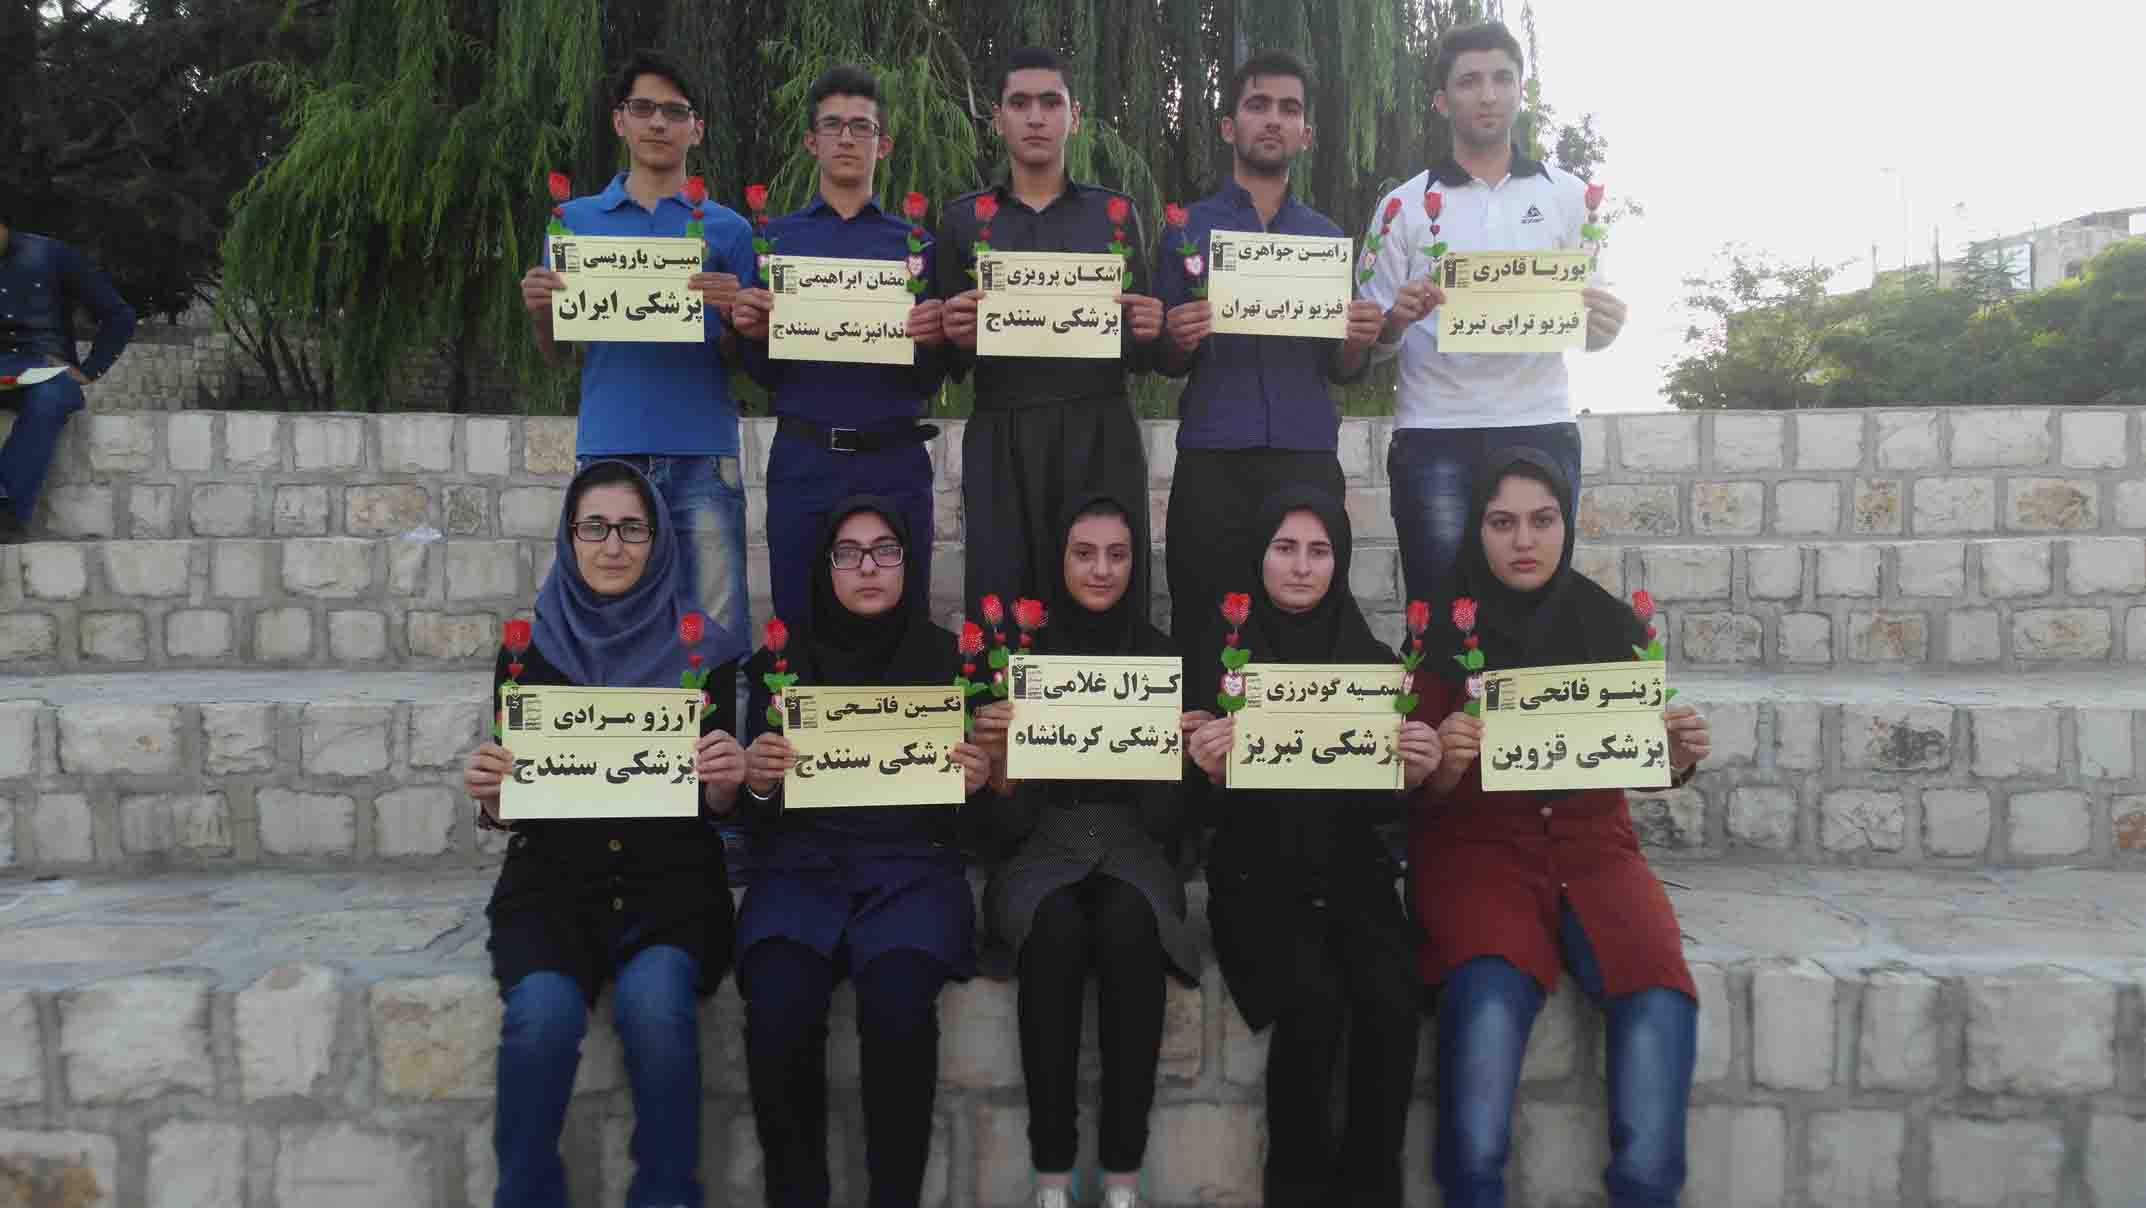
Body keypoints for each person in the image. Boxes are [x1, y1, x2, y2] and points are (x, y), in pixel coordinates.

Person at [1411, 447, 1711, 1207]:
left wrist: (1676, 759)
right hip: (1478, 857)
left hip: (1595, 853)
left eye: (1543, 520)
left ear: (1566, 526)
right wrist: (1442, 762)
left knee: (1658, 993)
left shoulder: (1608, 625)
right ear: (1476, 530)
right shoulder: (1442, 636)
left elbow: (1639, 760)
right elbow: (1415, 794)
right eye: (1502, 522)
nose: (1524, 541)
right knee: (1484, 999)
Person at [461, 459, 749, 1208]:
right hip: (554, 889)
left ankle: (666, 1194)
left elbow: (715, 802)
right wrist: (493, 797)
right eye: (594, 528)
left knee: (657, 1007)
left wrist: (726, 782)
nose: (613, 546)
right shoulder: (528, 652)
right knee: (541, 1017)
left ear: (658, 540)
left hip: (670, 889)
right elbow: (516, 799)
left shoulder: (705, 652)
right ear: (569, 537)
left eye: (631, 529)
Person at [1182, 487, 1442, 1207]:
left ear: (1340, 561)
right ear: (1258, 557)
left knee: (1391, 998)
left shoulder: (1373, 665)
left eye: (1319, 550)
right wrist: (1210, 771)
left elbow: (1381, 808)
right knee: (1312, 1000)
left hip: (1354, 876)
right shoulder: (1219, 662)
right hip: (1255, 881)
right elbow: (1192, 811)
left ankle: (1371, 1189)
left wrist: (1410, 775)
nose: (1301, 566)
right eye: (1285, 548)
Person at [734, 498, 994, 1208]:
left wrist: (977, 783)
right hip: (802, 870)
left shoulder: (951, 664)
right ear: (826, 568)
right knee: (778, 1003)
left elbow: (974, 823)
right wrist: (759, 784)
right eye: (848, 553)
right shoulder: (780, 666)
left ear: (908, 563)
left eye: (885, 550)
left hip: (912, 872)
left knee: (899, 1005)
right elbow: (757, 820)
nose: (869, 567)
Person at [970, 496, 1199, 1208]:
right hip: (1040, 848)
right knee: (1055, 927)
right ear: (1058, 561)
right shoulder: (1021, 661)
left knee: (1131, 925)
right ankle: (1053, 1176)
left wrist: (1178, 757)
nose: (1101, 570)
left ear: (1135, 566)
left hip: (1135, 849)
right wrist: (999, 760)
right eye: (1084, 553)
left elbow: (1172, 825)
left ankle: (1122, 1176)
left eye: (1117, 555)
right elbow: (1001, 825)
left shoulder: (1163, 659)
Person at [1356, 21, 1630, 604]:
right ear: (1441, 100)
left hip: (1541, 422)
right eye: (1469, 81)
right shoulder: (1401, 206)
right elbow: (1364, 346)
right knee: (1438, 607)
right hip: (1434, 431)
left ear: (1521, 91)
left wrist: (1605, 329)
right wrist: (1396, 320)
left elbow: (1589, 326)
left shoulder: (1569, 196)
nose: (1488, 95)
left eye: (1503, 79)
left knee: (1539, 610)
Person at [518, 50, 758, 648]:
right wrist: (541, 313)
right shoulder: (573, 224)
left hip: (703, 454)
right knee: (607, 624)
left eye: (674, 112)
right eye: (643, 108)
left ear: (696, 128)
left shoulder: (729, 230)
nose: (657, 122)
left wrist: (736, 319)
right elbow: (557, 355)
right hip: (609, 451)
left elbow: (743, 361)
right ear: (619, 120)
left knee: (717, 626)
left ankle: (722, 716)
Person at [1152, 49, 1390, 644]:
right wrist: (1176, 337)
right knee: (1204, 620)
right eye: (1258, 105)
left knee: (1305, 626)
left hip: (1305, 454)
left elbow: (1342, 368)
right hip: (1213, 454)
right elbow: (1164, 359)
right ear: (1229, 126)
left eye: (1289, 108)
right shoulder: (1186, 231)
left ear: (1305, 133)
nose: (1273, 119)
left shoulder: (1325, 239)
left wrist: (1358, 341)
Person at [936, 46, 1166, 613]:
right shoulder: (963, 221)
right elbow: (945, 363)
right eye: (1019, 103)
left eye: (1050, 102)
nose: (1035, 117)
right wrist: (951, 333)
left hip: (1101, 432)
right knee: (1002, 593)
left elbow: (1143, 352)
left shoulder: (1115, 216)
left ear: (1074, 116)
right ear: (998, 118)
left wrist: (1152, 327)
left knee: (1102, 598)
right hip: (1002, 433)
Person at [732, 64, 949, 626]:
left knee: (901, 621)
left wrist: (935, 340)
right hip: (805, 458)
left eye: (862, 126)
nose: (847, 138)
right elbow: (763, 374)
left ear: (884, 144)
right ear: (812, 141)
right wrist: (750, 332)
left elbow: (932, 376)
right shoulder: (776, 242)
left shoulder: (919, 247)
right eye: (832, 125)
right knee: (798, 617)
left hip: (894, 458)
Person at [0, 212, 137, 540]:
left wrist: (91, 370)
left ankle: (6, 516)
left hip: (46, 368)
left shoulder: (51, 254)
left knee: (49, 398)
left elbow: (119, 315)